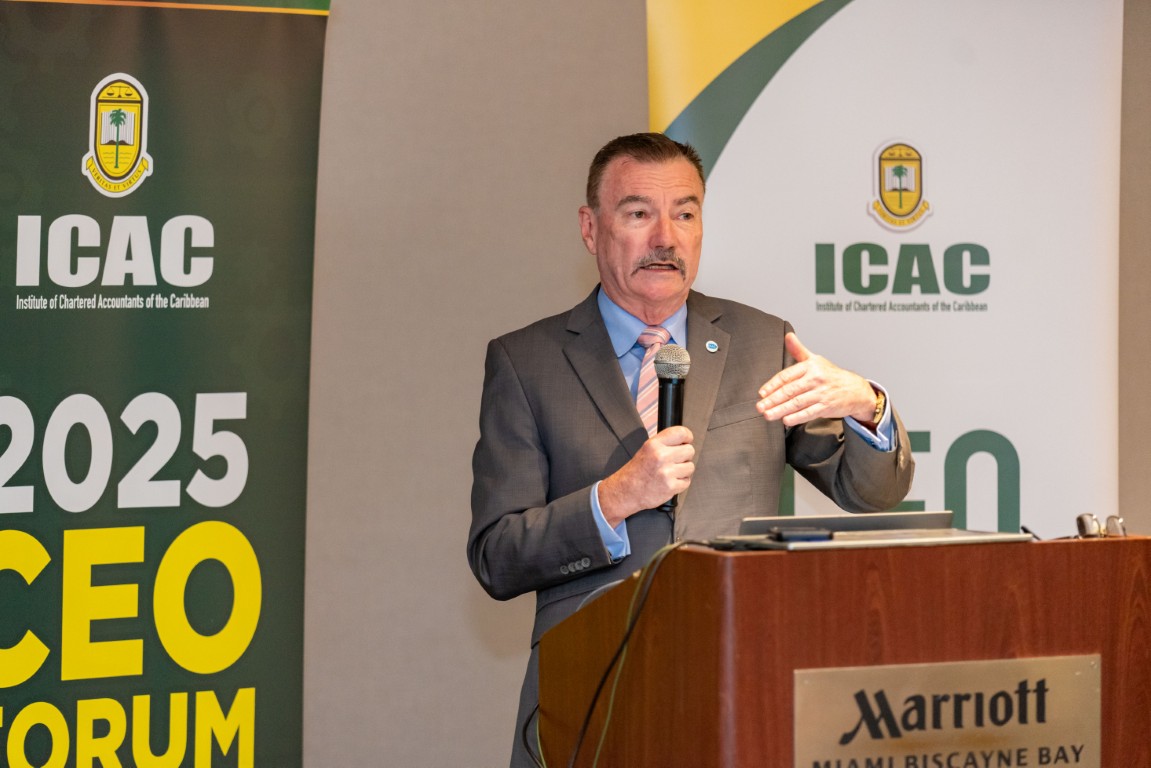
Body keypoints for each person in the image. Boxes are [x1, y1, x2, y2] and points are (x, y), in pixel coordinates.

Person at [467, 132, 914, 767]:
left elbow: (870, 492)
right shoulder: (526, 362)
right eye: (638, 213)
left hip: (742, 684)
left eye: (685, 213)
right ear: (591, 228)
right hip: (588, 697)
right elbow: (497, 557)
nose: (665, 238)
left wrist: (866, 405)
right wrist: (614, 499)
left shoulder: (762, 342)